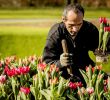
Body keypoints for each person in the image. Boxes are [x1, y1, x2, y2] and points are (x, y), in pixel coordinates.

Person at [42, 3, 99, 85]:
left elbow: (98, 48)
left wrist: (102, 50)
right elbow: (46, 63)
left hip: (85, 70)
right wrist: (60, 63)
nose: (75, 29)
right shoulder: (55, 33)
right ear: (63, 19)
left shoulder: (90, 29)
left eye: (79, 24)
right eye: (71, 25)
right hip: (62, 75)